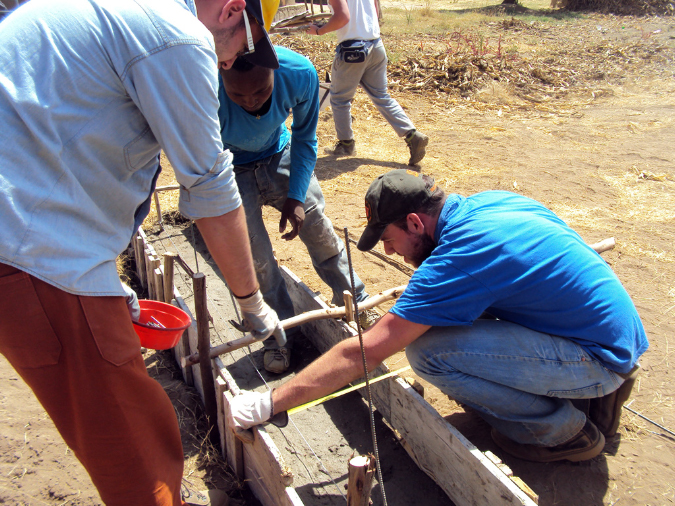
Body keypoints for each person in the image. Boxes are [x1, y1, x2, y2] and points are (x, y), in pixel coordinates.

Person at [0, 0, 284, 504]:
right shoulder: (174, 35)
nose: (229, 64)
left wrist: (108, 281)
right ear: (232, 11)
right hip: (30, 252)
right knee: (135, 446)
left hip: (27, 233)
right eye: (245, 46)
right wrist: (250, 303)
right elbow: (211, 189)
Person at [229, 169, 648, 463]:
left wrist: (269, 401)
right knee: (450, 326)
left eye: (390, 240)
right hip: (614, 333)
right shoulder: (490, 203)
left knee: (430, 353)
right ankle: (597, 392)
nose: (389, 252)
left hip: (595, 355)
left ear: (414, 222)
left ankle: (563, 434)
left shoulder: (458, 260)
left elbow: (365, 352)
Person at [218, 46, 379, 374]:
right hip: (227, 165)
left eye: (262, 90)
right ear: (221, 75)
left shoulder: (299, 73)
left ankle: (355, 301)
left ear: (275, 72)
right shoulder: (200, 86)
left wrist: (295, 196)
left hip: (280, 152)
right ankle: (278, 335)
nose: (251, 101)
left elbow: (305, 138)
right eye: (238, 94)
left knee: (318, 227)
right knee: (255, 258)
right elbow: (199, 157)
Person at [307, 0, 429, 166]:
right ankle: (412, 135)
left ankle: (346, 145)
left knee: (340, 99)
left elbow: (342, 17)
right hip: (376, 45)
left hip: (353, 50)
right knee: (381, 96)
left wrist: (320, 30)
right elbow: (374, 13)